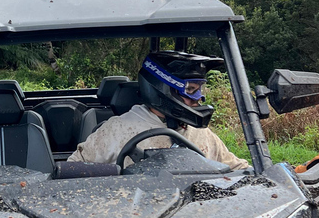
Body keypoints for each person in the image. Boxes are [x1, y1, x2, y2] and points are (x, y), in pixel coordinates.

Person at [68, 51, 250, 170]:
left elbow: (237, 169)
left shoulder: (201, 133)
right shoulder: (117, 130)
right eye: (191, 90)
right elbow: (74, 169)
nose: (199, 98)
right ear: (162, 90)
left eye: (199, 90)